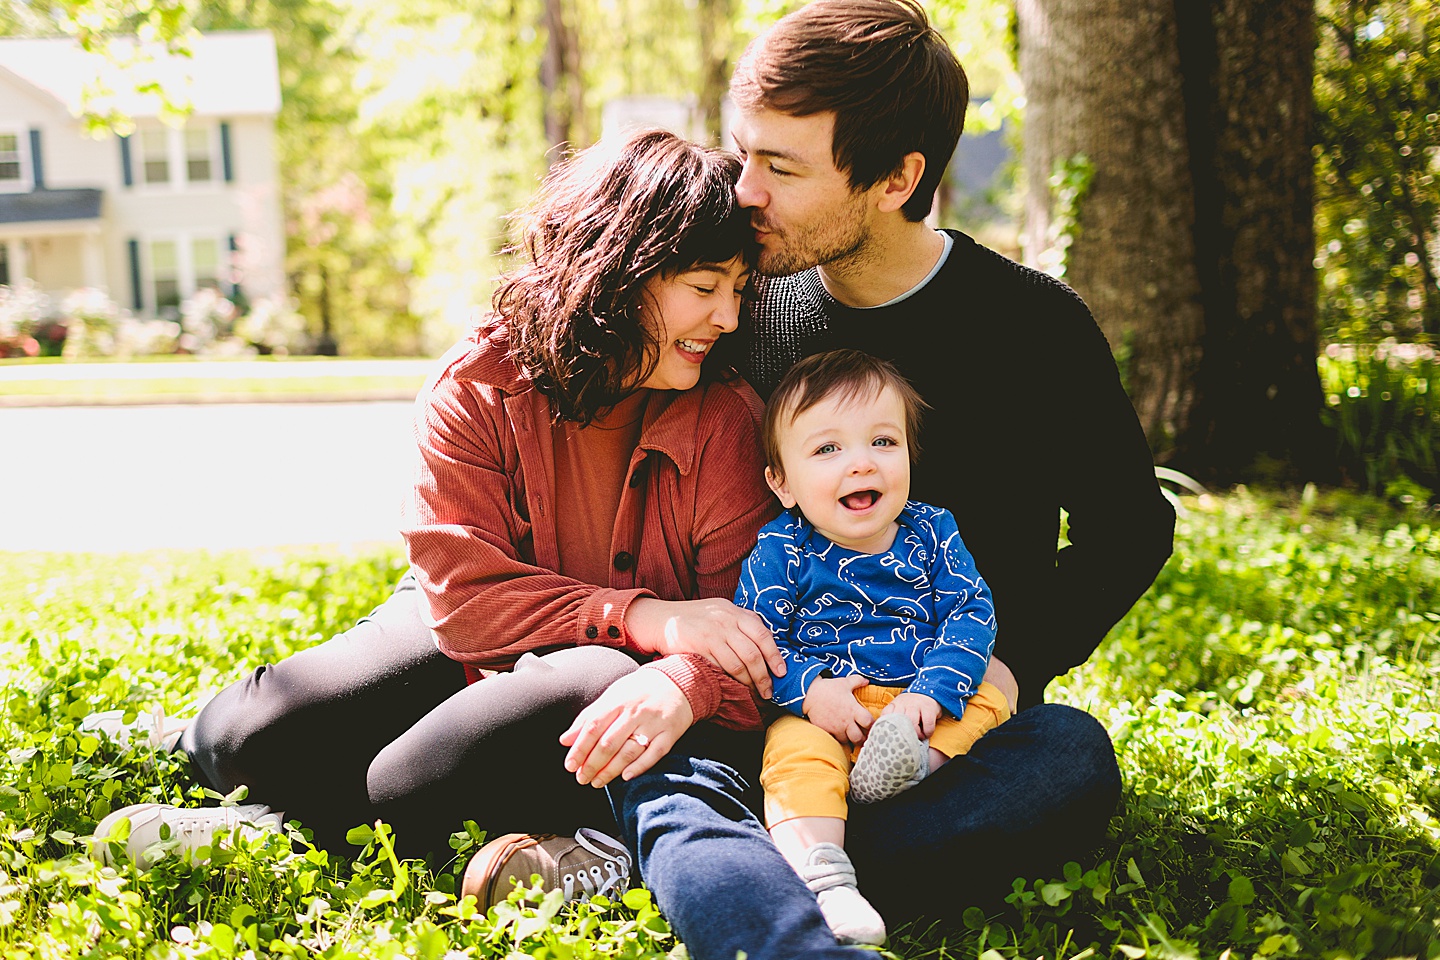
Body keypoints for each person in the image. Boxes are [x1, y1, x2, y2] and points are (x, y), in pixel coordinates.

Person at [601, 2, 1178, 958]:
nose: (743, 192)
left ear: (897, 178)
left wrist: (1012, 664)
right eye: (744, 154)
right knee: (661, 744)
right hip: (781, 701)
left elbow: (1131, 529)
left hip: (947, 724)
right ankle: (768, 856)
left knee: (1071, 758)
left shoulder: (1035, 327)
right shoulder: (751, 310)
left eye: (781, 170)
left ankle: (714, 868)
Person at [85, 130, 787, 895]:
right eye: (704, 285)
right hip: (472, 615)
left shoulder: (724, 421)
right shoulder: (478, 386)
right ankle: (184, 741)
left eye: (740, 292)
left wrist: (677, 668)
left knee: (475, 742)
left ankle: (285, 832)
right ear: (622, 267)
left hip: (597, 670)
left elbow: (745, 641)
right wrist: (647, 614)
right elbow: (465, 603)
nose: (726, 317)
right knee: (242, 738)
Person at [738, 349, 1012, 945]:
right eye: (827, 449)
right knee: (795, 759)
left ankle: (914, 767)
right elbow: (760, 641)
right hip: (831, 707)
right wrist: (810, 695)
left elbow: (970, 613)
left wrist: (935, 695)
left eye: (883, 442)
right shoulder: (781, 550)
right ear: (781, 483)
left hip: (921, 703)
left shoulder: (933, 532)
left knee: (993, 695)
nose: (861, 464)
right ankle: (825, 881)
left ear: (910, 454)